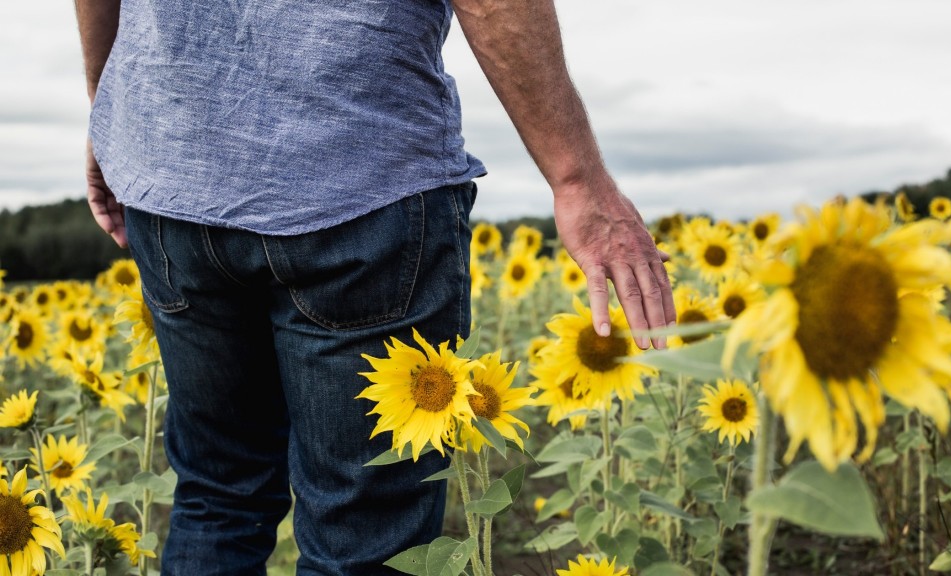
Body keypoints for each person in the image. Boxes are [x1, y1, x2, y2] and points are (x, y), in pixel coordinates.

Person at [74, 0, 676, 573]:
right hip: (358, 177)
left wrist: (111, 112)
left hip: (170, 169)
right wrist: (577, 177)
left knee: (216, 495)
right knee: (363, 536)